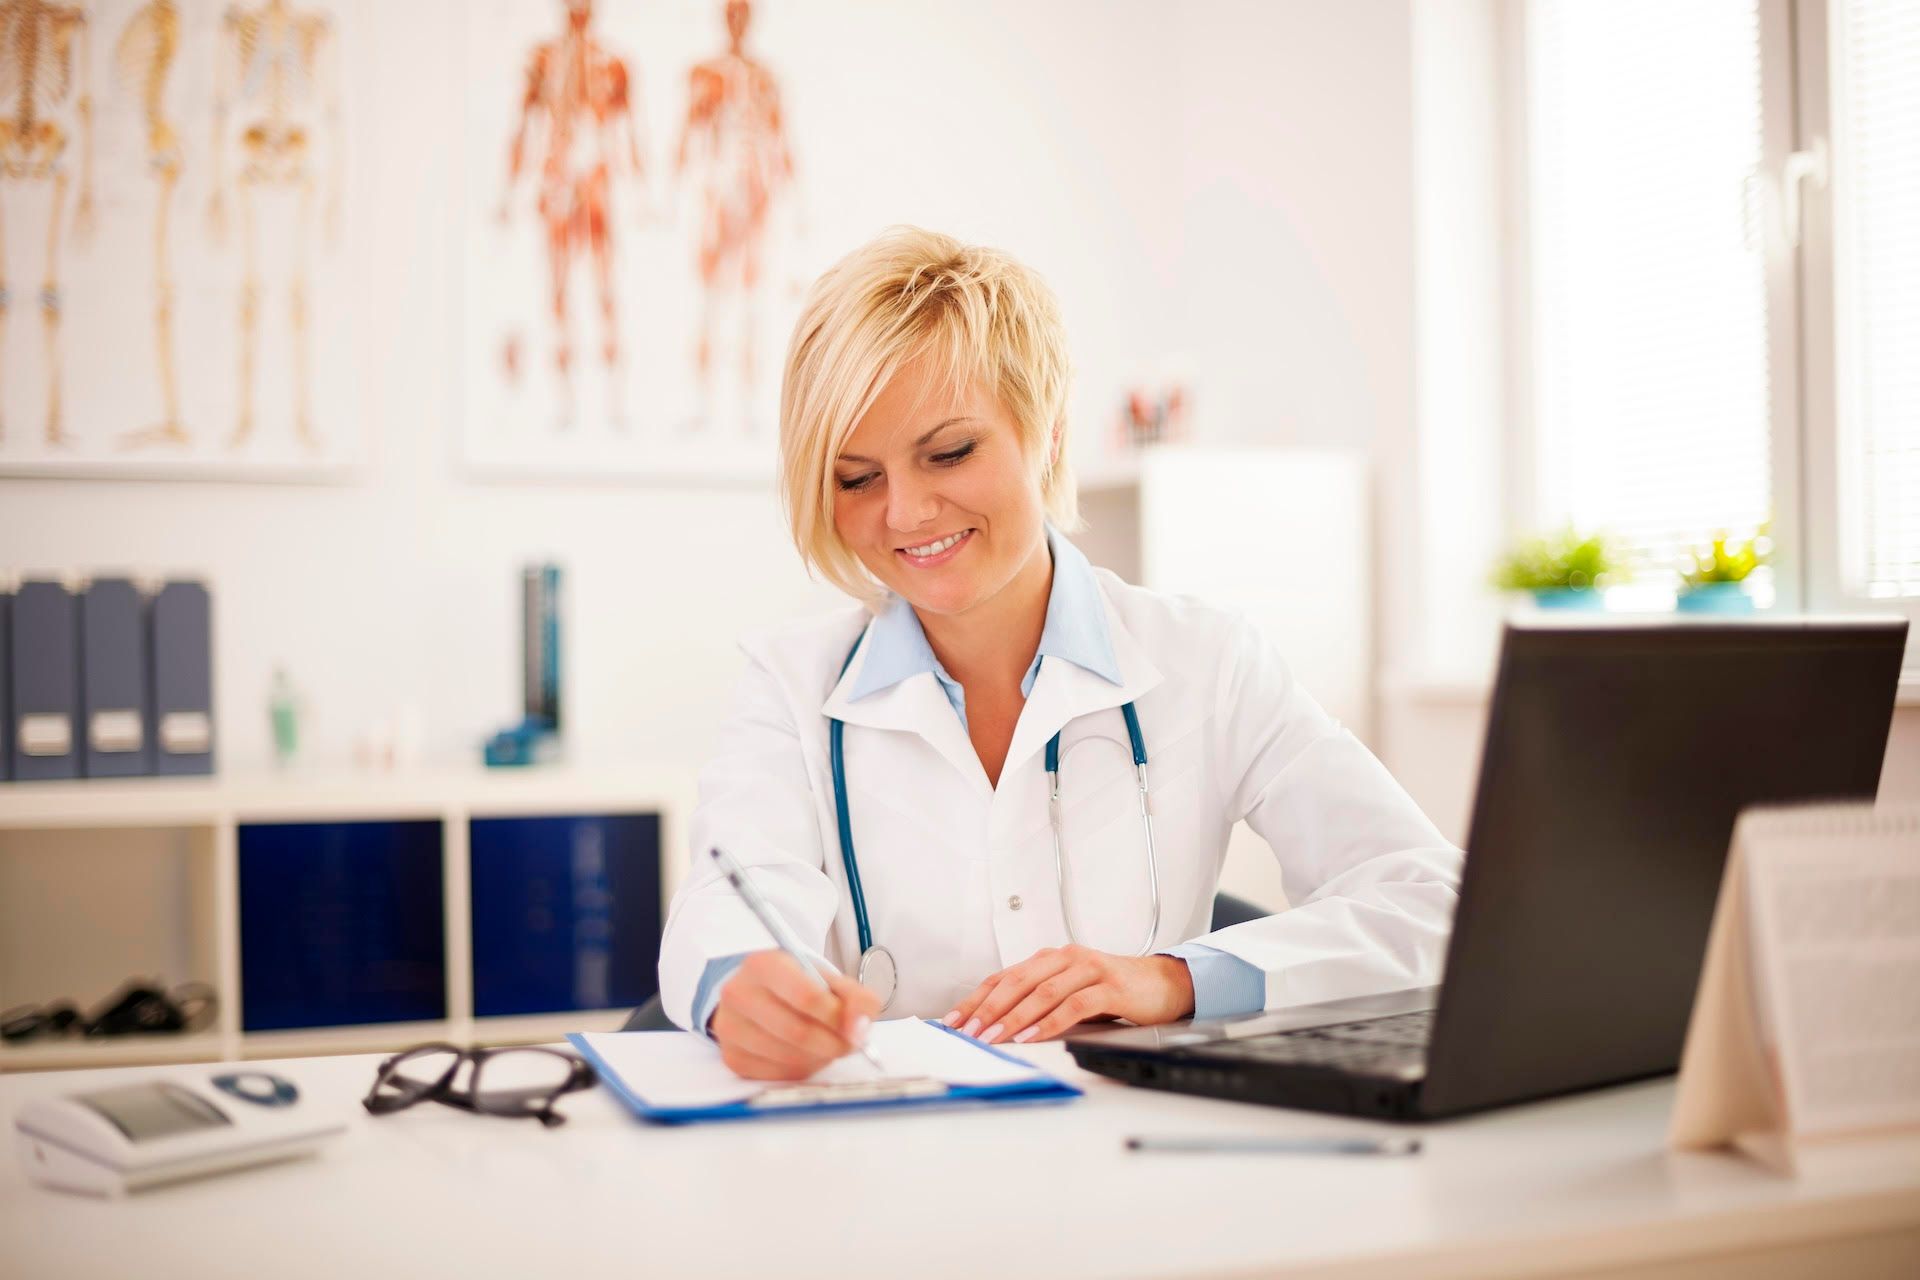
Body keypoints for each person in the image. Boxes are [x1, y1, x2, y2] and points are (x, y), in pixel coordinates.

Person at [657, 227, 1462, 1082]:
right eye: (858, 478)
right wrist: (741, 986)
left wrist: (1177, 981)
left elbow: (1430, 902)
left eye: (950, 452)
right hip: (893, 1157)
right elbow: (732, 899)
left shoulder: (1207, 660)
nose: (905, 513)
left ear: (1045, 431)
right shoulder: (792, 684)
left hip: (1131, 1147)